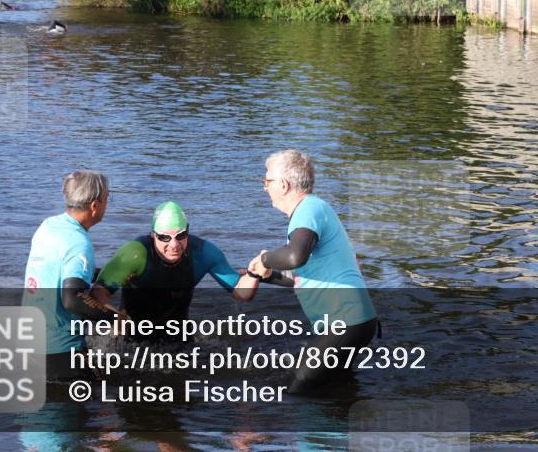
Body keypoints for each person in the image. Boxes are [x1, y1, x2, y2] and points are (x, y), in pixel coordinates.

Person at [249, 149, 378, 393]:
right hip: (355, 321)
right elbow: (303, 275)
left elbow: (294, 256)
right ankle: (337, 429)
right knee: (336, 391)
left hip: (345, 321)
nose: (265, 187)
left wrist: (265, 259)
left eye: (267, 181)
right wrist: (268, 276)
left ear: (284, 185)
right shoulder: (313, 210)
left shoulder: (308, 209)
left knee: (297, 391)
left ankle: (310, 432)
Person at [93, 201, 262, 329]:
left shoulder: (204, 253)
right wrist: (114, 317)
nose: (174, 245)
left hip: (179, 336)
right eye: (165, 237)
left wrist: (255, 273)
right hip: (133, 335)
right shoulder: (134, 253)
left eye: (181, 235)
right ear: (153, 235)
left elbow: (241, 293)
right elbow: (98, 292)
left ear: (188, 231)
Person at [23, 170, 121, 380]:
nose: (107, 204)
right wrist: (113, 318)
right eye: (107, 199)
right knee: (104, 399)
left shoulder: (48, 226)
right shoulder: (79, 243)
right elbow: (72, 299)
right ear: (94, 206)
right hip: (60, 349)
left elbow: (57, 270)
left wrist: (99, 275)